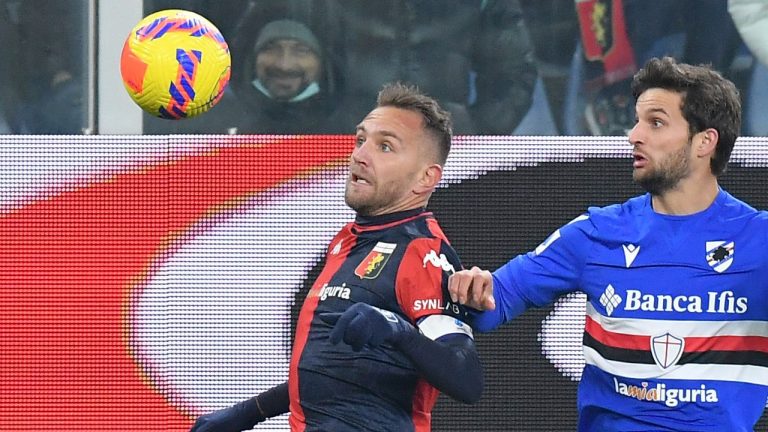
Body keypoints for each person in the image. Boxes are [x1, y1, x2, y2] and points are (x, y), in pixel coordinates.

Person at [448, 56, 768, 431]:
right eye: (637, 121)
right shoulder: (595, 231)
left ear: (705, 142)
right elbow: (493, 302)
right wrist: (471, 289)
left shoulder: (759, 239)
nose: (634, 135)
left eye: (656, 123)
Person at [189, 82, 483, 431]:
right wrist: (249, 412)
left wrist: (399, 332)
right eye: (361, 140)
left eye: (385, 146)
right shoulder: (348, 241)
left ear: (425, 178)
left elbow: (466, 377)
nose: (360, 155)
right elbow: (332, 371)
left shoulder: (422, 252)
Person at [320, 0, 538, 135]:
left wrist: (473, 132)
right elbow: (295, 50)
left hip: (448, 150)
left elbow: (514, 73)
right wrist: (324, 130)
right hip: (341, 148)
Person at [144, 17, 340, 134]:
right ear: (251, 59)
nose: (284, 64)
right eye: (270, 48)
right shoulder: (211, 123)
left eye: (302, 50)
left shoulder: (353, 126)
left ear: (322, 62)